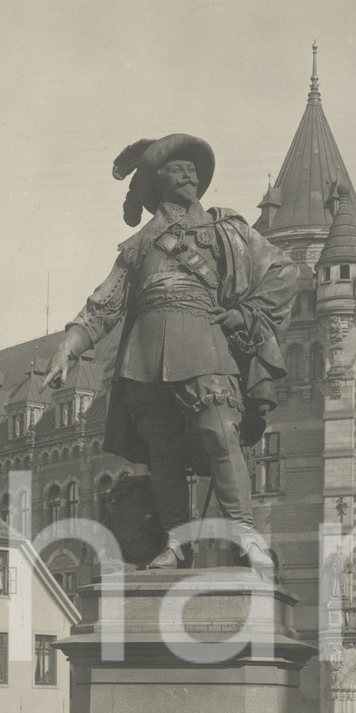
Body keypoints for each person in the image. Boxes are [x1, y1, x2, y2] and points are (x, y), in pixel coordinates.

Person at [42, 134, 299, 570]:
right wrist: (70, 344)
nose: (191, 173)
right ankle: (177, 543)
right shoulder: (137, 246)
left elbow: (284, 269)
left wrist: (248, 313)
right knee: (163, 453)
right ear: (154, 181)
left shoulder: (224, 227)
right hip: (143, 354)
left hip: (205, 341)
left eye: (193, 168)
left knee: (220, 432)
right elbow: (105, 303)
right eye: (178, 167)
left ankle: (245, 534)